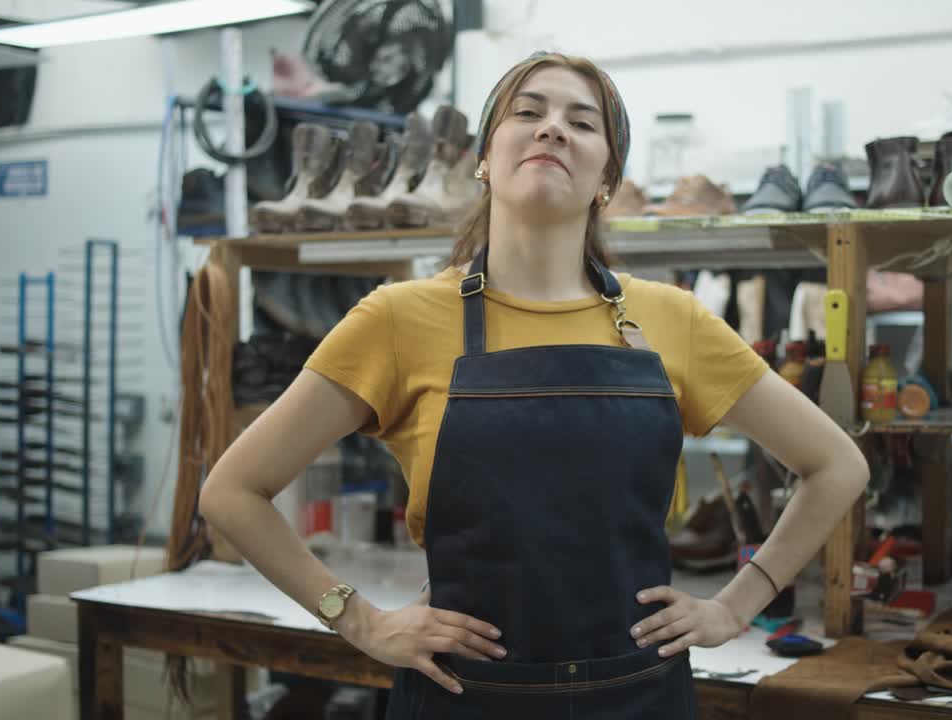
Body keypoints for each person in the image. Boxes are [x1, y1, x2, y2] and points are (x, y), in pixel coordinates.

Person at [200, 51, 869, 719]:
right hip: (466, 698)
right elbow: (232, 492)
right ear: (483, 159)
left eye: (582, 122)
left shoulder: (673, 319)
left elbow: (837, 463)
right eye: (528, 112)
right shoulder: (396, 319)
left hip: (637, 695)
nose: (553, 129)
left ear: (607, 177)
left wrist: (736, 605)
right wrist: (358, 620)